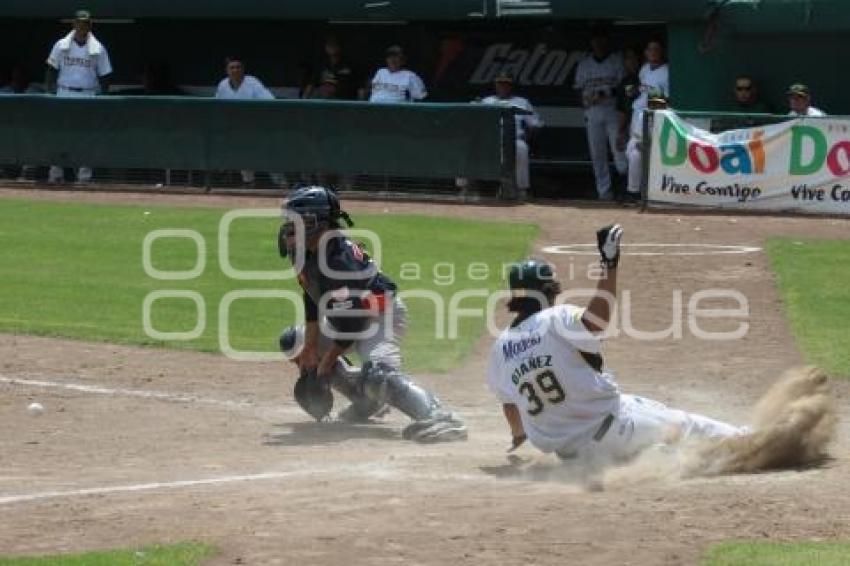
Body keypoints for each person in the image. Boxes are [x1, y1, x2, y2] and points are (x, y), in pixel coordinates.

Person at [486, 225, 747, 475]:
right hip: (616, 428)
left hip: (573, 456)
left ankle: (645, 454)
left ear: (515, 296)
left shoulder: (500, 348)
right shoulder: (555, 318)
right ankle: (752, 442)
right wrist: (609, 265)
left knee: (642, 422)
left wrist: (519, 434)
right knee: (687, 426)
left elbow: (510, 405)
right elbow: (597, 322)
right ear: (549, 291)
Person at [277, 185, 466, 442]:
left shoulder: (339, 262)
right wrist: (310, 347)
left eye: (297, 220)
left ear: (317, 222)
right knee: (295, 342)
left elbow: (352, 322)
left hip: (379, 317)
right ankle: (366, 401)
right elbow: (311, 297)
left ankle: (438, 415)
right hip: (345, 316)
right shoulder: (303, 250)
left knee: (377, 373)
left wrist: (325, 363)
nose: (289, 226)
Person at [44, 9, 112, 184]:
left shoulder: (98, 48)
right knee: (59, 135)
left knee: (86, 137)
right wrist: (49, 92)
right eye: (79, 23)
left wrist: (103, 98)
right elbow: (51, 70)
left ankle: (84, 178)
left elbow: (105, 76)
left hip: (88, 94)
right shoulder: (61, 45)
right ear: (74, 24)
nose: (82, 26)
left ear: (90, 25)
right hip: (64, 91)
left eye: (86, 23)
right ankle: (56, 174)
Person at [574, 29, 626, 201]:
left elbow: (623, 88)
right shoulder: (584, 64)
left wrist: (604, 93)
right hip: (593, 112)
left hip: (612, 111)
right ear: (591, 43)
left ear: (606, 41)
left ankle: (628, 189)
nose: (599, 44)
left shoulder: (616, 61)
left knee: (620, 156)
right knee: (598, 155)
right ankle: (604, 193)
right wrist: (586, 99)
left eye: (601, 40)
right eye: (595, 40)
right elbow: (578, 89)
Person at [215, 57, 282, 187]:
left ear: (243, 69)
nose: (235, 70)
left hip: (258, 127)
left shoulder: (252, 82)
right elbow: (217, 106)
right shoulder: (223, 85)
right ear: (227, 70)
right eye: (232, 67)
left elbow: (271, 101)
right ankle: (249, 183)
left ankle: (282, 184)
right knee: (243, 157)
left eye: (238, 67)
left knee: (269, 157)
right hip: (236, 130)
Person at [480, 73, 543, 196]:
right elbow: (477, 123)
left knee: (521, 148)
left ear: (511, 85)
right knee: (467, 148)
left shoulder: (522, 102)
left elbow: (536, 124)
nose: (503, 86)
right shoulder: (486, 101)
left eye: (506, 83)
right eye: (500, 83)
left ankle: (521, 189)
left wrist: (527, 136)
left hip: (514, 139)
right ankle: (466, 188)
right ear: (496, 85)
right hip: (491, 140)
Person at [625, 91, 668, 202]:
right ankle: (633, 192)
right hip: (639, 143)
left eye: (659, 103)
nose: (656, 106)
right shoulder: (642, 115)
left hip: (659, 146)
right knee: (636, 156)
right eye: (653, 103)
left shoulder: (669, 115)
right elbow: (641, 143)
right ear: (648, 104)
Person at [632, 39, 669, 117]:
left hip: (655, 116)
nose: (653, 52)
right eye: (649, 49)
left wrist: (650, 91)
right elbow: (640, 91)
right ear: (645, 52)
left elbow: (667, 102)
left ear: (662, 51)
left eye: (656, 49)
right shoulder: (644, 68)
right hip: (638, 113)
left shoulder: (667, 71)